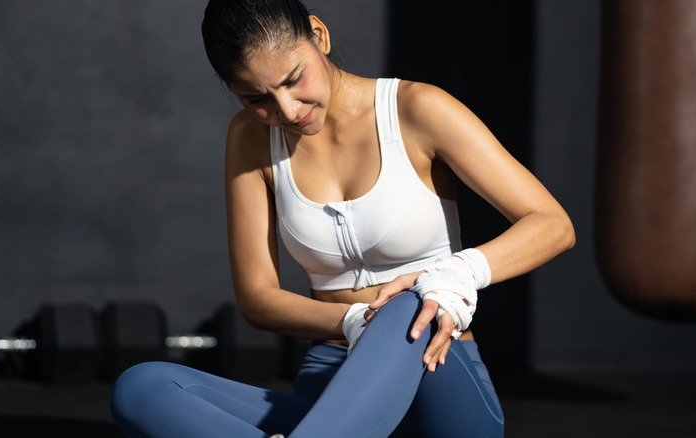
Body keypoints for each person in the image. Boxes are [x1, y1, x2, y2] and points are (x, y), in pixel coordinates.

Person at [109, 0, 575, 436]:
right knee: (142, 385)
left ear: (319, 35)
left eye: (294, 79)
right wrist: (354, 320)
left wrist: (456, 273)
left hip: (438, 372)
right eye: (257, 98)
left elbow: (552, 224)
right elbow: (257, 297)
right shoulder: (250, 138)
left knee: (408, 299)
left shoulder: (416, 109)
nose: (286, 110)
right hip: (333, 385)